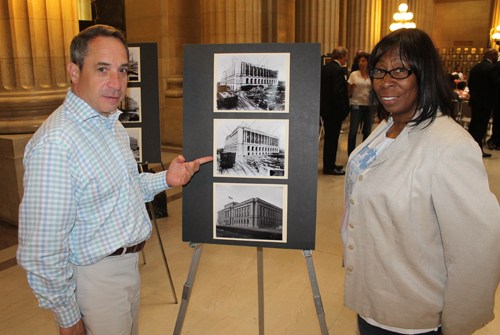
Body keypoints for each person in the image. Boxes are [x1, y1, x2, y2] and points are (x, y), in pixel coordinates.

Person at [17, 25, 212, 335]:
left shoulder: (109, 124)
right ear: (74, 71)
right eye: (102, 69)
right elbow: (41, 250)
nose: (116, 83)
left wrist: (167, 179)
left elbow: (125, 189)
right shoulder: (57, 144)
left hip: (126, 268)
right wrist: (68, 318)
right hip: (94, 279)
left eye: (122, 70)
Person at [341, 28, 500, 335]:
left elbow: (477, 250)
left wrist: (456, 326)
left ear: (424, 74)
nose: (386, 81)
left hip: (411, 317)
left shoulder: (450, 145)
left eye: (400, 70)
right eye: (379, 71)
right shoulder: (387, 128)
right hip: (372, 300)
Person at [320, 47, 350, 175]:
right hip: (334, 111)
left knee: (330, 139)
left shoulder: (325, 68)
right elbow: (338, 92)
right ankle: (329, 167)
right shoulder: (337, 69)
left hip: (326, 109)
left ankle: (330, 164)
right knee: (332, 140)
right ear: (342, 57)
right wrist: (343, 109)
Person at [467, 48, 500, 157]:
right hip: (486, 102)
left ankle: (470, 147)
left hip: (475, 101)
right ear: (493, 56)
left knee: (474, 125)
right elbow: (495, 85)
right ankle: (478, 149)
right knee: (481, 127)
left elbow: (470, 84)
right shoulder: (492, 68)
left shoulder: (475, 68)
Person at [347, 52, 373, 156]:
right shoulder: (354, 75)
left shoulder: (373, 75)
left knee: (367, 132)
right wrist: (351, 88)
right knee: (353, 131)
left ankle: (364, 155)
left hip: (369, 106)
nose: (361, 63)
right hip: (356, 105)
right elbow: (348, 93)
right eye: (359, 61)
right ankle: (351, 154)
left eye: (363, 61)